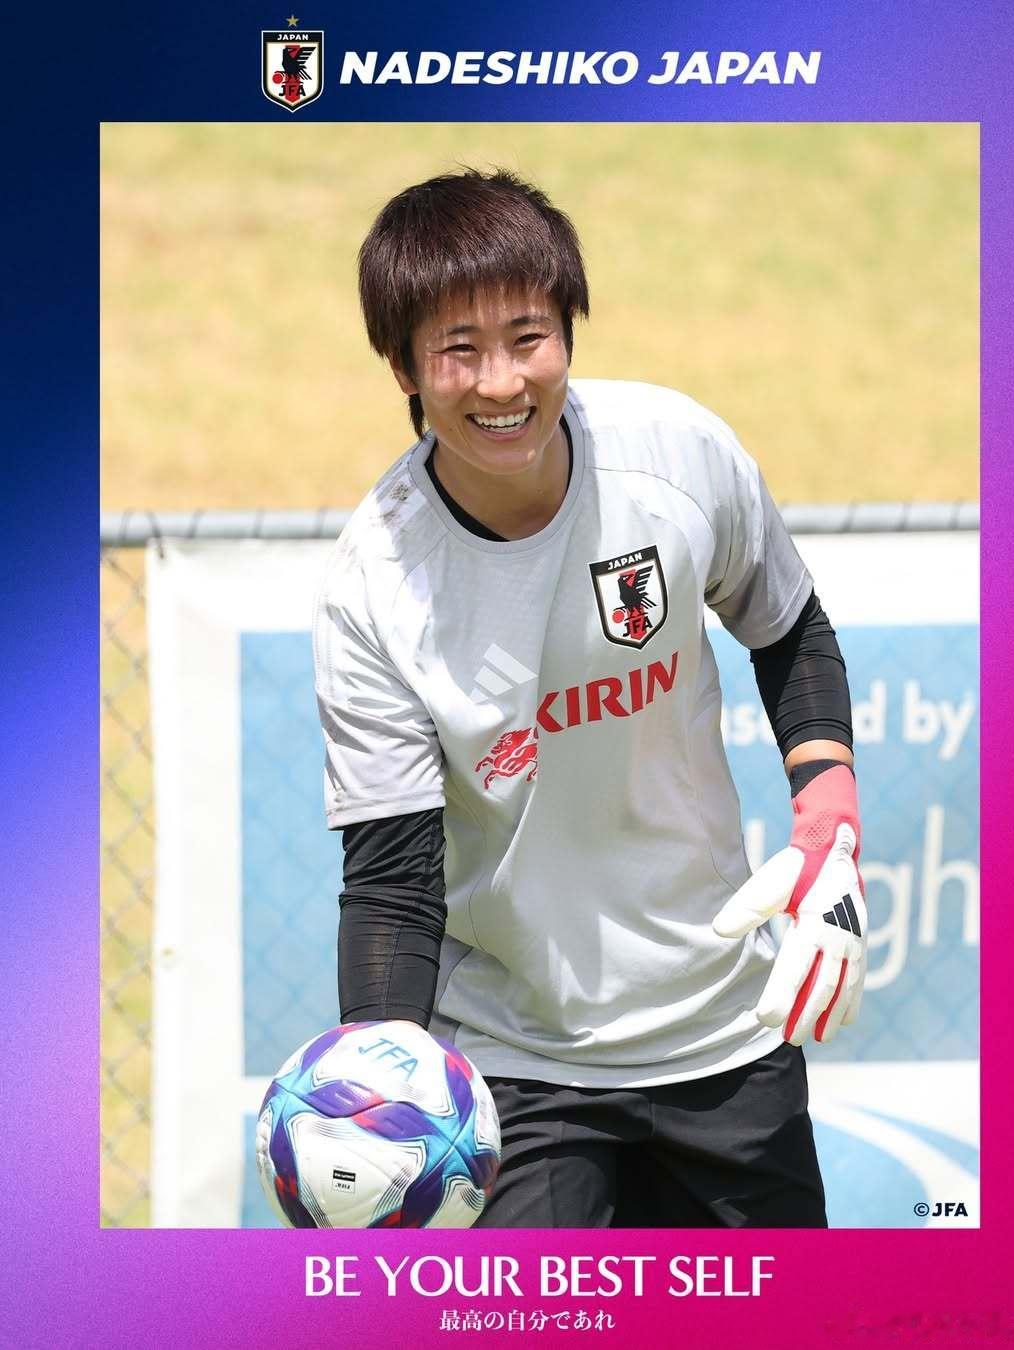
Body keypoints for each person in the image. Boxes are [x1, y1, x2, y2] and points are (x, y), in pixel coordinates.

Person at [313, 168, 867, 1228]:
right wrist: (380, 1094)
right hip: (520, 1065)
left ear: (567, 331)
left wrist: (829, 815)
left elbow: (788, 628)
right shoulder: (374, 585)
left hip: (727, 1030)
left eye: (528, 337)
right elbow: (393, 881)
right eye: (457, 349)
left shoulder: (678, 454)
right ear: (403, 368)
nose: (500, 382)